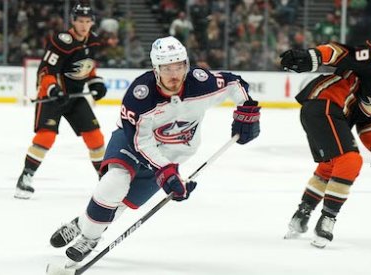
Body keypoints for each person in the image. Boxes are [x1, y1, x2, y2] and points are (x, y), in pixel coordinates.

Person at [48, 36, 261, 263]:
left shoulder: (201, 83)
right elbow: (141, 143)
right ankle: (90, 238)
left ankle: (82, 224)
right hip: (133, 142)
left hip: (175, 152)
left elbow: (233, 83)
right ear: (155, 69)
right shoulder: (140, 96)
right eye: (167, 68)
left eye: (179, 66)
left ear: (186, 65)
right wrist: (166, 172)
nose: (174, 74)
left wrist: (247, 110)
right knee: (115, 182)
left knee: (124, 203)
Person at [280, 23, 371, 248]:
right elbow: (341, 53)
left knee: (331, 165)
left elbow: (368, 121)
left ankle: (301, 216)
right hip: (324, 104)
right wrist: (311, 57)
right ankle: (327, 220)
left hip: (330, 114)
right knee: (351, 160)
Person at [14, 2, 110, 199]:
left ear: (92, 22)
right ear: (73, 21)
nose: (84, 25)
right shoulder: (62, 41)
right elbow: (46, 71)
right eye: (80, 21)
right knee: (46, 136)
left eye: (88, 21)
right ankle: (25, 178)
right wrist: (53, 90)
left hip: (74, 96)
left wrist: (95, 82)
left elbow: (87, 67)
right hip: (52, 96)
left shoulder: (93, 41)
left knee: (96, 138)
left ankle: (106, 181)